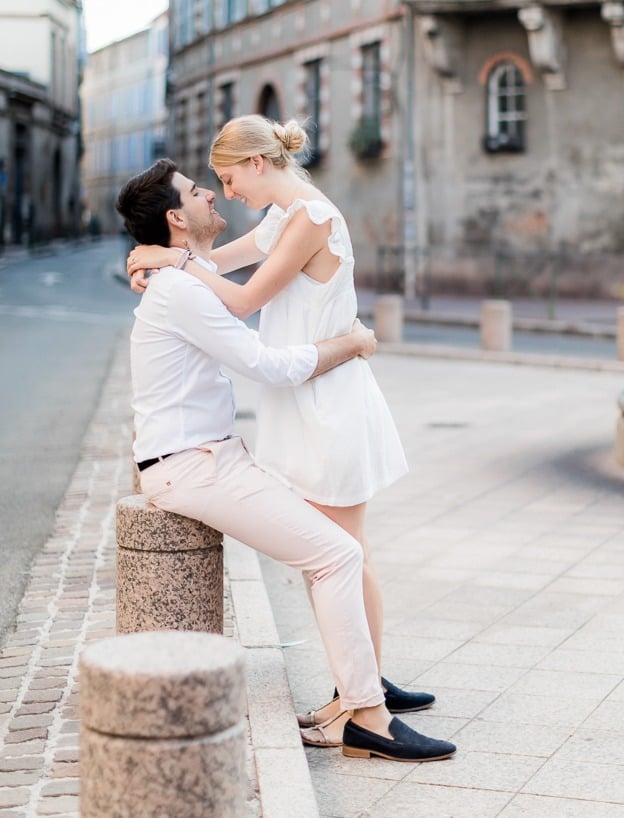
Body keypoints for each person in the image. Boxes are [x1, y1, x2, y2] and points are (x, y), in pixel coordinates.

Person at [114, 158, 454, 762]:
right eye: (200, 191)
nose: (215, 196)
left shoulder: (188, 278)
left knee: (338, 552)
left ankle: (358, 705)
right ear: (176, 216)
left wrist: (157, 257)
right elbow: (265, 364)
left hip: (209, 458)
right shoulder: (181, 292)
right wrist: (350, 342)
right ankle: (366, 715)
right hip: (191, 466)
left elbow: (216, 269)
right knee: (338, 553)